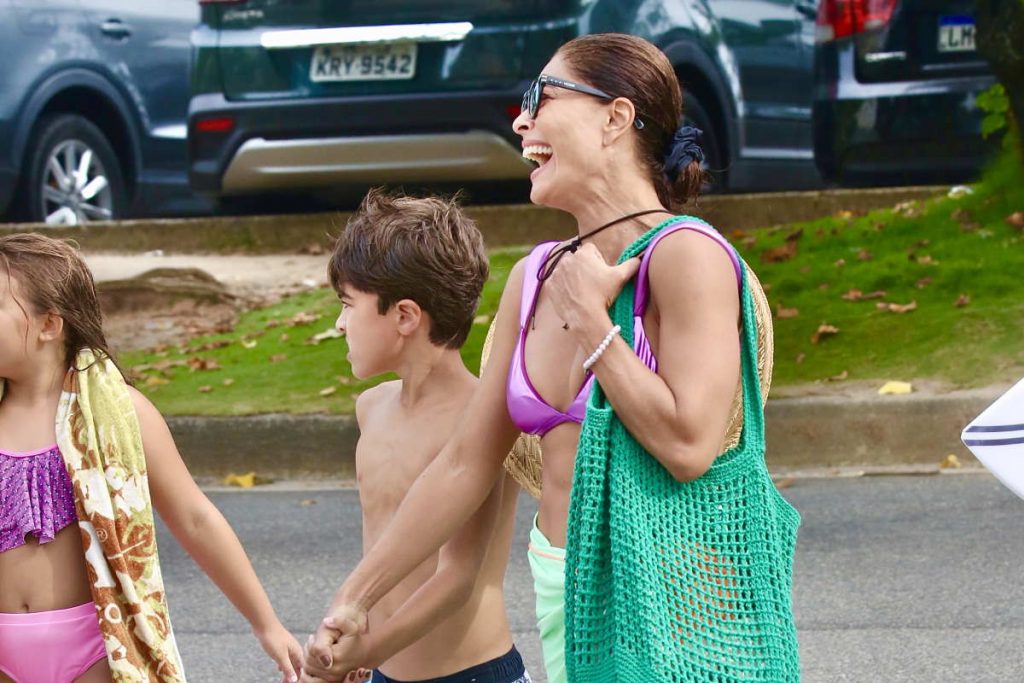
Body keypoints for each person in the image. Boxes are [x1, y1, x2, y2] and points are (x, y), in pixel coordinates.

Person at [311, 33, 800, 682]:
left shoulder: (687, 256)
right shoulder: (536, 276)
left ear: (615, 118)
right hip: (562, 587)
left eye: (541, 98)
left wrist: (592, 324)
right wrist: (356, 595)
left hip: (674, 599)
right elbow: (462, 463)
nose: (521, 119)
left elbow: (690, 446)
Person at [0, 233, 303, 683]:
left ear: (49, 324)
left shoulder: (122, 412)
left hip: (96, 645)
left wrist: (266, 624)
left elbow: (195, 518)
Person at [299, 191, 530, 683]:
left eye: (347, 305)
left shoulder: (482, 422)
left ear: (404, 316)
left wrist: (364, 651)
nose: (339, 324)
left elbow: (458, 577)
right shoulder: (371, 408)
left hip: (473, 673)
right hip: (381, 669)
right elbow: (383, 547)